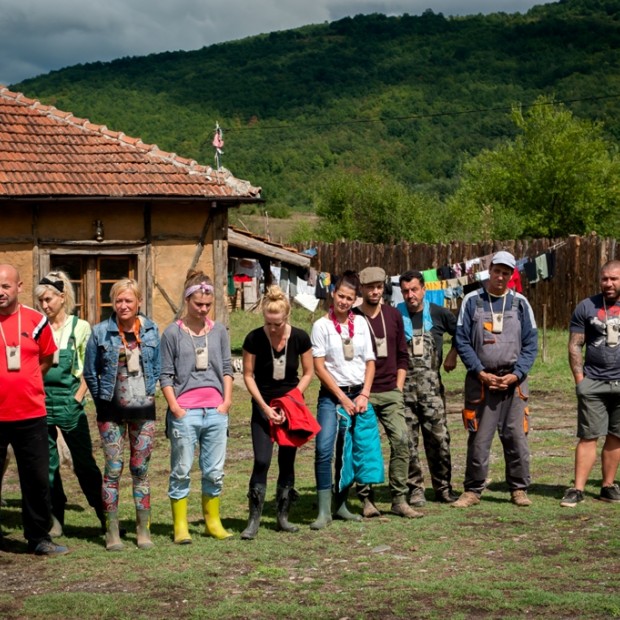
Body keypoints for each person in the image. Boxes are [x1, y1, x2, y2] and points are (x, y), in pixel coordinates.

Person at [453, 251, 538, 508]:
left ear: (512, 275)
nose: (500, 276)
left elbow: (531, 344)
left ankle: (519, 488)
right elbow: (462, 341)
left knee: (516, 436)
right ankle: (473, 490)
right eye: (497, 271)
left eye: (506, 272)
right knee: (479, 437)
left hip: (514, 383)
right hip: (481, 382)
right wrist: (479, 371)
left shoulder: (521, 303)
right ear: (489, 270)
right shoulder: (472, 301)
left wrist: (516, 374)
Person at [84, 279, 160, 550]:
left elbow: (158, 365)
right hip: (110, 412)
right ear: (112, 303)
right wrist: (101, 402)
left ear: (138, 302)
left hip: (143, 410)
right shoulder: (99, 332)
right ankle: (112, 531)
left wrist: (151, 392)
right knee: (113, 470)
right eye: (118, 301)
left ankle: (143, 530)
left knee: (140, 469)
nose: (123, 306)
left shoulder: (151, 330)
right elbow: (90, 372)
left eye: (128, 300)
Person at [160, 270, 234, 542]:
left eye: (207, 305)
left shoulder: (219, 333)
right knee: (182, 469)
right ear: (187, 300)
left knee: (214, 471)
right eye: (198, 304)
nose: (203, 309)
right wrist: (176, 408)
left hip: (216, 411)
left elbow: (227, 368)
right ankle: (180, 526)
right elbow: (165, 375)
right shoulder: (172, 333)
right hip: (185, 413)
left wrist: (226, 402)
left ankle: (212, 521)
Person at [0, 263, 68, 555]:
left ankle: (39, 537)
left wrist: (23, 383)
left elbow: (47, 359)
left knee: (36, 477)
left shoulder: (36, 321)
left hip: (30, 413)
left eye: (5, 286)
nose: (0, 292)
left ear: (18, 287)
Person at [240, 286, 314, 539]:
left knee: (287, 460)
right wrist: (264, 406)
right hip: (263, 404)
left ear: (287, 317)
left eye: (277, 323)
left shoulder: (301, 337)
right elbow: (247, 375)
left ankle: (283, 517)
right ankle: (253, 519)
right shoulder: (253, 338)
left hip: (290, 405)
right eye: (268, 323)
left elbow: (308, 373)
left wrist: (290, 399)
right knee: (262, 460)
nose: (272, 328)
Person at [35, 271, 104, 537]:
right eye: (41, 301)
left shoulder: (80, 327)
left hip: (70, 402)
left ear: (63, 298)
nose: (45, 306)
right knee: (48, 464)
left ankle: (104, 514)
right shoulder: (38, 328)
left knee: (84, 462)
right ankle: (55, 519)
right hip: (41, 402)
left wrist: (78, 397)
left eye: (49, 299)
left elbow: (90, 367)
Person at [354, 267, 423, 518]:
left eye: (379, 287)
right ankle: (366, 498)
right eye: (370, 287)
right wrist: (361, 392)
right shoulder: (353, 317)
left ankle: (398, 499)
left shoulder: (393, 315)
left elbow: (403, 356)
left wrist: (399, 387)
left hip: (391, 390)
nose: (375, 291)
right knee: (365, 445)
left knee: (402, 441)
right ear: (361, 289)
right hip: (363, 392)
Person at [310, 271, 376, 529]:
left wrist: (364, 394)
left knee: (347, 451)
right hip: (331, 397)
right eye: (341, 296)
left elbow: (370, 361)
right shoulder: (321, 326)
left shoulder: (360, 324)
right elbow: (319, 367)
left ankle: (341, 505)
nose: (345, 302)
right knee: (324, 448)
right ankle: (323, 511)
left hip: (358, 395)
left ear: (355, 300)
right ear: (333, 294)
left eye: (350, 298)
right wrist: (341, 398)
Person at [561, 260, 620, 506]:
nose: (608, 283)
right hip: (593, 381)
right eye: (604, 278)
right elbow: (575, 344)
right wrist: (580, 381)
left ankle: (607, 486)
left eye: (614, 279)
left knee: (616, 436)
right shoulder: (587, 306)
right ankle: (577, 489)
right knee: (588, 436)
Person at [398, 270, 459, 506]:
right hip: (403, 391)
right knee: (407, 442)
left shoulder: (439, 313)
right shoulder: (395, 315)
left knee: (439, 440)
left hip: (432, 392)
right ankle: (415, 489)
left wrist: (453, 354)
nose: (410, 295)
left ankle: (443, 488)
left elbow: (462, 334)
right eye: (405, 291)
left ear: (424, 289)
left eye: (414, 289)